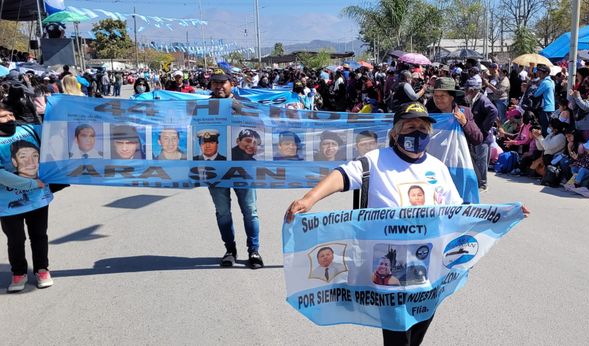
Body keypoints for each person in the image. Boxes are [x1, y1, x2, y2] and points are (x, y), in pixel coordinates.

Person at [284, 102, 470, 345]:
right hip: (388, 267)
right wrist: (309, 199)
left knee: (418, 329)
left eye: (423, 127)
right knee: (397, 337)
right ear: (396, 133)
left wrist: (503, 215)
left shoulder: (438, 168)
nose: (417, 132)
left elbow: (456, 211)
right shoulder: (375, 161)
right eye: (410, 126)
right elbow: (341, 176)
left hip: (428, 268)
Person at [204, 69, 262, 268]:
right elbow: (194, 133)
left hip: (242, 168)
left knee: (250, 211)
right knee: (223, 213)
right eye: (215, 83)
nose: (219, 86)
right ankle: (230, 249)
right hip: (215, 168)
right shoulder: (203, 107)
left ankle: (253, 251)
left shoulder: (242, 104)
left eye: (223, 83)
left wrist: (239, 109)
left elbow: (258, 126)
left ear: (232, 84)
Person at [0, 103, 54, 292]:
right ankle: (18, 273)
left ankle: (42, 269)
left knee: (39, 236)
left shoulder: (28, 129)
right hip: (6, 203)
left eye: (11, 114)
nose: (10, 119)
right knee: (15, 239)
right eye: (3, 117)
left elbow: (55, 129)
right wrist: (31, 183)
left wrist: (38, 107)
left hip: (38, 198)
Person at [464, 77, 499, 191]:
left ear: (473, 90)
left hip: (483, 136)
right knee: (475, 159)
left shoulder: (483, 100)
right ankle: (477, 181)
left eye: (467, 90)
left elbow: (494, 112)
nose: (465, 92)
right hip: (475, 135)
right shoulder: (472, 100)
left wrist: (484, 128)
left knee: (481, 160)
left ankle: (482, 184)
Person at [532, 64, 556, 129]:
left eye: (541, 73)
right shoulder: (552, 81)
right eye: (539, 72)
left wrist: (534, 87)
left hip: (545, 108)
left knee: (544, 129)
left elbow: (536, 94)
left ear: (546, 73)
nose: (539, 74)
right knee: (549, 128)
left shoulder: (545, 82)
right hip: (551, 107)